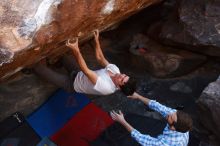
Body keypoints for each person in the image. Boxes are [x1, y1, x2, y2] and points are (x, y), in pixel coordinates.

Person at [34, 30, 136, 96]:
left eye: (122, 79)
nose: (121, 75)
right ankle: (56, 63)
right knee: (63, 56)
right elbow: (100, 58)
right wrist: (96, 41)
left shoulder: (106, 87)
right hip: (79, 73)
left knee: (39, 68)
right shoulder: (115, 70)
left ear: (118, 87)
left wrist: (76, 50)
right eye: (124, 75)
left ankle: (33, 69)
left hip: (72, 84)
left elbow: (87, 71)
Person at [110, 92, 193, 146]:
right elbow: (158, 106)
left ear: (173, 128)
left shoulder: (166, 143)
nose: (169, 113)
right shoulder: (180, 120)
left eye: (171, 117)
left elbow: (141, 138)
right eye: (173, 113)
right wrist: (138, 96)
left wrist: (122, 121)